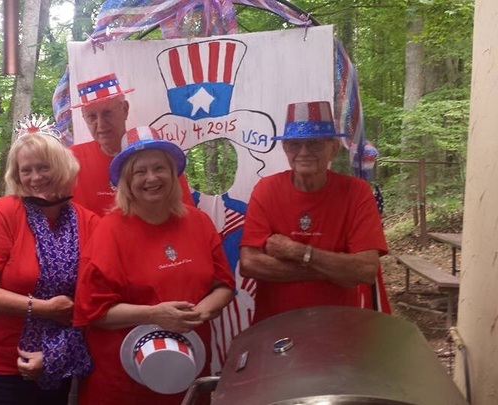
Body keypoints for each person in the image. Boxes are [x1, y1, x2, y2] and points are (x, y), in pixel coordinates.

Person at [74, 126, 235, 405]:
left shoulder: (198, 222)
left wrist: (197, 313)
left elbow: (224, 286)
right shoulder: (108, 232)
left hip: (188, 371)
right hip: (126, 383)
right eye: (140, 171)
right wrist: (153, 315)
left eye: (159, 168)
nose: (151, 178)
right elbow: (92, 312)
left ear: (173, 173)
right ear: (126, 181)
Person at [0, 116, 97, 405]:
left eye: (44, 167)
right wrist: (45, 309)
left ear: (62, 166)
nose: (35, 177)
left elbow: (95, 297)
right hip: (1, 365)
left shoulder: (88, 222)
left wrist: (53, 354)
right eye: (26, 170)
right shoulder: (4, 213)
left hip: (60, 358)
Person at [239, 100, 389, 324]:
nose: (303, 152)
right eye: (294, 144)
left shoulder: (357, 192)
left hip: (339, 325)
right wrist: (336, 271)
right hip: (276, 326)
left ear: (333, 149)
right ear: (285, 149)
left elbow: (366, 269)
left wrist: (298, 252)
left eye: (315, 143)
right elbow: (249, 264)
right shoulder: (266, 189)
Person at [70, 72, 195, 216]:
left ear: (125, 109)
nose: (101, 124)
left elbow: (185, 213)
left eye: (107, 113)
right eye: (92, 116)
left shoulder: (157, 155)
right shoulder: (71, 161)